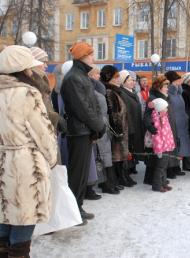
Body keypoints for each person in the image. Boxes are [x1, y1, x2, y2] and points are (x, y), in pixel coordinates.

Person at [0, 45, 57, 257]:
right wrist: (51, 160)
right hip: (25, 163)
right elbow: (42, 133)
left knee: (5, 211)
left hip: (1, 159)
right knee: (25, 212)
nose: (32, 71)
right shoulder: (27, 93)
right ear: (23, 69)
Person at [60, 42, 105, 223]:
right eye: (91, 55)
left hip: (84, 131)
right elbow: (83, 109)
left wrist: (96, 126)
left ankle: (77, 207)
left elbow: (90, 105)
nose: (93, 58)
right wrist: (99, 126)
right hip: (78, 132)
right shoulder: (73, 78)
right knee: (77, 174)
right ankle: (72, 212)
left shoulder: (81, 75)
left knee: (81, 174)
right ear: (83, 57)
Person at [89, 65, 120, 195]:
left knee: (106, 153)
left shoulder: (98, 88)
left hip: (105, 123)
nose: (98, 76)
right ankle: (104, 182)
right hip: (99, 124)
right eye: (96, 74)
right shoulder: (91, 89)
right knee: (101, 154)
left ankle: (109, 182)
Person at [143, 75, 176, 186]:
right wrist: (152, 128)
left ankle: (158, 179)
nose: (167, 88)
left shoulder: (164, 97)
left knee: (160, 158)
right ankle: (151, 179)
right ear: (159, 87)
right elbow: (147, 115)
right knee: (156, 157)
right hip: (156, 133)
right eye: (165, 86)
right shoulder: (153, 98)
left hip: (163, 131)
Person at [165, 70, 190, 178]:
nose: (180, 81)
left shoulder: (179, 92)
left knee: (179, 146)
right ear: (172, 81)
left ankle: (176, 166)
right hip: (173, 123)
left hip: (182, 122)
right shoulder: (169, 93)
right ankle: (169, 169)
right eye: (177, 79)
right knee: (172, 147)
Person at [119, 70, 144, 181]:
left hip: (136, 125)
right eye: (129, 80)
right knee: (128, 149)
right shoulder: (123, 93)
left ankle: (131, 167)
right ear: (123, 81)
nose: (133, 82)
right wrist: (131, 128)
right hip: (130, 127)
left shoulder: (133, 93)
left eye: (134, 80)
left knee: (133, 148)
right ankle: (126, 172)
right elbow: (126, 113)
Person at [150, 97, 176, 192]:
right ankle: (156, 186)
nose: (167, 109)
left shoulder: (164, 117)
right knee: (160, 167)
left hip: (167, 146)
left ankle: (163, 183)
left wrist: (170, 144)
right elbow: (156, 137)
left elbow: (168, 133)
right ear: (160, 108)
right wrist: (159, 149)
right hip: (161, 148)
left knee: (164, 167)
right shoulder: (156, 119)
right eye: (165, 108)